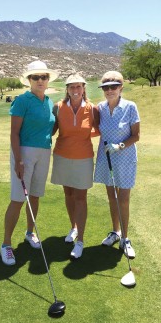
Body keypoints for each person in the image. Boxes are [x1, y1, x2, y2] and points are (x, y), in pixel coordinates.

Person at [0, 60, 59, 265]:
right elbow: (14, 133)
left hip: (44, 152)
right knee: (18, 198)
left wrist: (46, 139)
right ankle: (6, 245)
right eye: (36, 77)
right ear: (29, 80)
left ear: (48, 79)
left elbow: (51, 126)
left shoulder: (50, 102)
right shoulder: (22, 100)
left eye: (44, 77)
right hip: (24, 153)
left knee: (34, 196)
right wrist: (18, 160)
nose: (40, 80)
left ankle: (29, 232)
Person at [51, 73, 100, 259]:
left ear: (84, 88)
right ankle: (73, 227)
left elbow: (100, 130)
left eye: (79, 86)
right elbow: (52, 129)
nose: (75, 90)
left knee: (81, 197)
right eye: (72, 87)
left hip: (83, 158)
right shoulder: (58, 107)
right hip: (62, 156)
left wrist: (84, 136)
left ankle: (80, 240)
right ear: (67, 89)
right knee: (68, 194)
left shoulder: (92, 109)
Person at [94, 71, 140, 259]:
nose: (110, 90)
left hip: (126, 156)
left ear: (121, 88)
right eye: (106, 87)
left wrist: (119, 145)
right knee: (112, 197)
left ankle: (125, 239)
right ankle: (115, 232)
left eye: (114, 86)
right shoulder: (100, 108)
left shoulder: (130, 107)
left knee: (124, 199)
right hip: (107, 158)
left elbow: (136, 135)